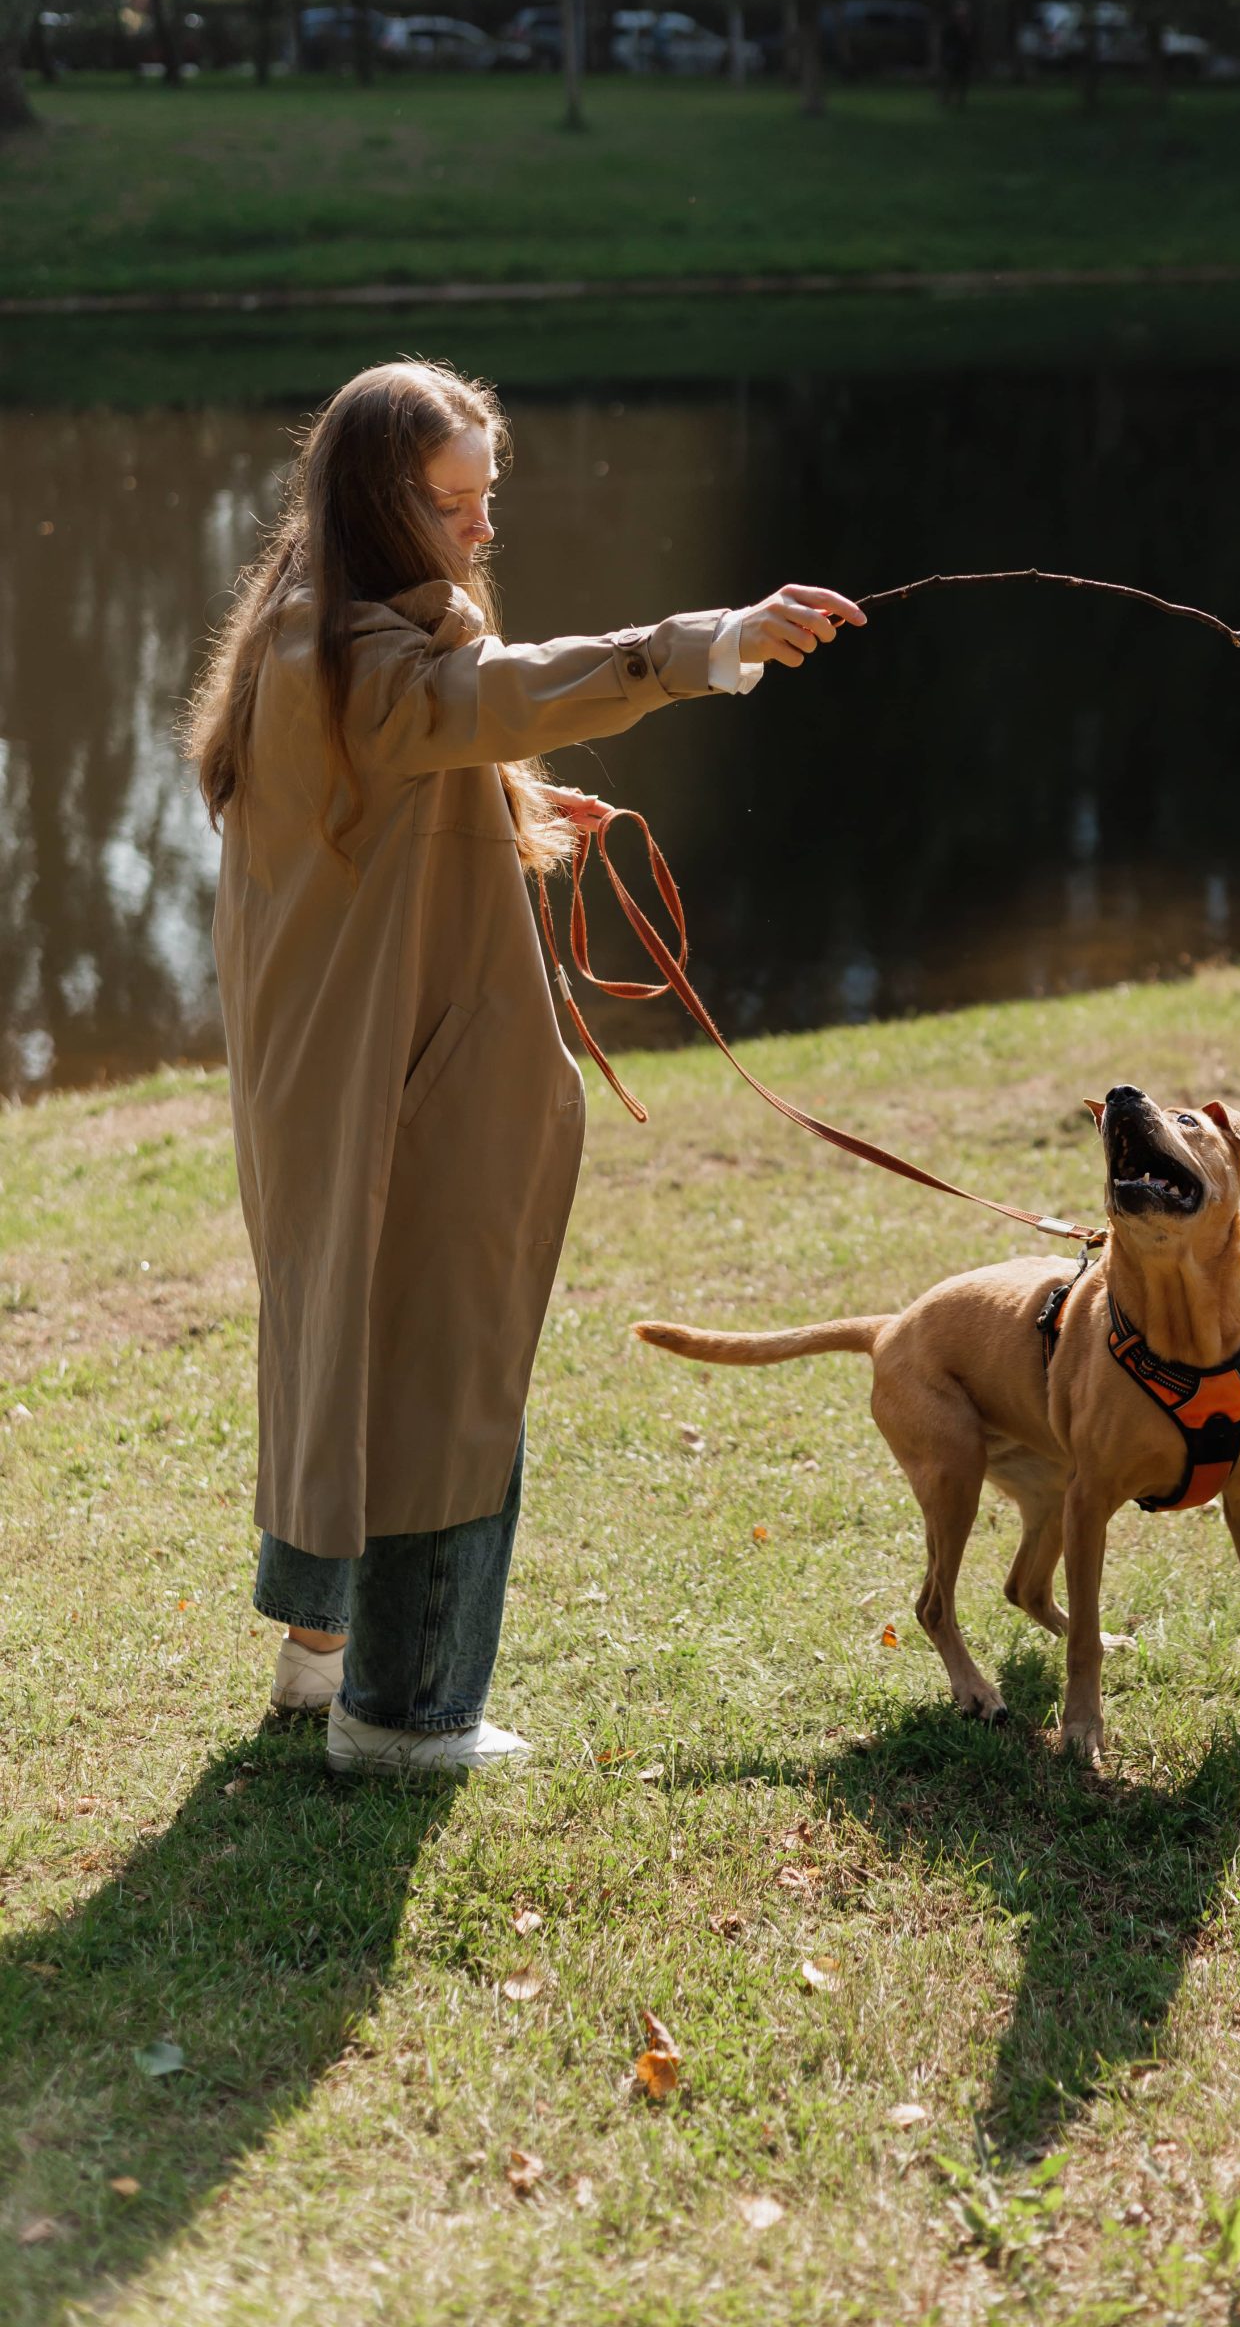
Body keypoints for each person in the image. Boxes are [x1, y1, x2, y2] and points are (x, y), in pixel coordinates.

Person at [183, 359, 863, 1777]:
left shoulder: (310, 635)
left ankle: (322, 1660)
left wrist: (521, 801)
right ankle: (406, 1715)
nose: (485, 531)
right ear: (380, 506)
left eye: (493, 499)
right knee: (440, 1353)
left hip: (347, 1075)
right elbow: (475, 696)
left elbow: (429, 764)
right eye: (456, 504)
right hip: (407, 1080)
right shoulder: (357, 657)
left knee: (350, 1341)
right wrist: (705, 642)